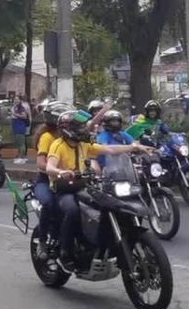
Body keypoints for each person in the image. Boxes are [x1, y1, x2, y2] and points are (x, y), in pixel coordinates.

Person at [46, 109, 152, 267]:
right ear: (69, 129)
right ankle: (65, 252)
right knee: (72, 211)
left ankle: (98, 242)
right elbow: (49, 167)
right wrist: (61, 172)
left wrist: (134, 147)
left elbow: (110, 149)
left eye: (84, 126)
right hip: (63, 189)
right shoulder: (58, 145)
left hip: (84, 185)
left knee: (105, 205)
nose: (84, 129)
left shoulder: (84, 145)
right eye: (80, 127)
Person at [11, 95, 31, 163]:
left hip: (20, 126)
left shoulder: (21, 107)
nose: (16, 100)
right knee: (18, 142)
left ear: (20, 100)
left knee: (21, 142)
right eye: (15, 99)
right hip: (15, 125)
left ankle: (22, 157)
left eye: (17, 99)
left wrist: (15, 114)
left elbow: (24, 116)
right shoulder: (15, 107)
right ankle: (19, 155)